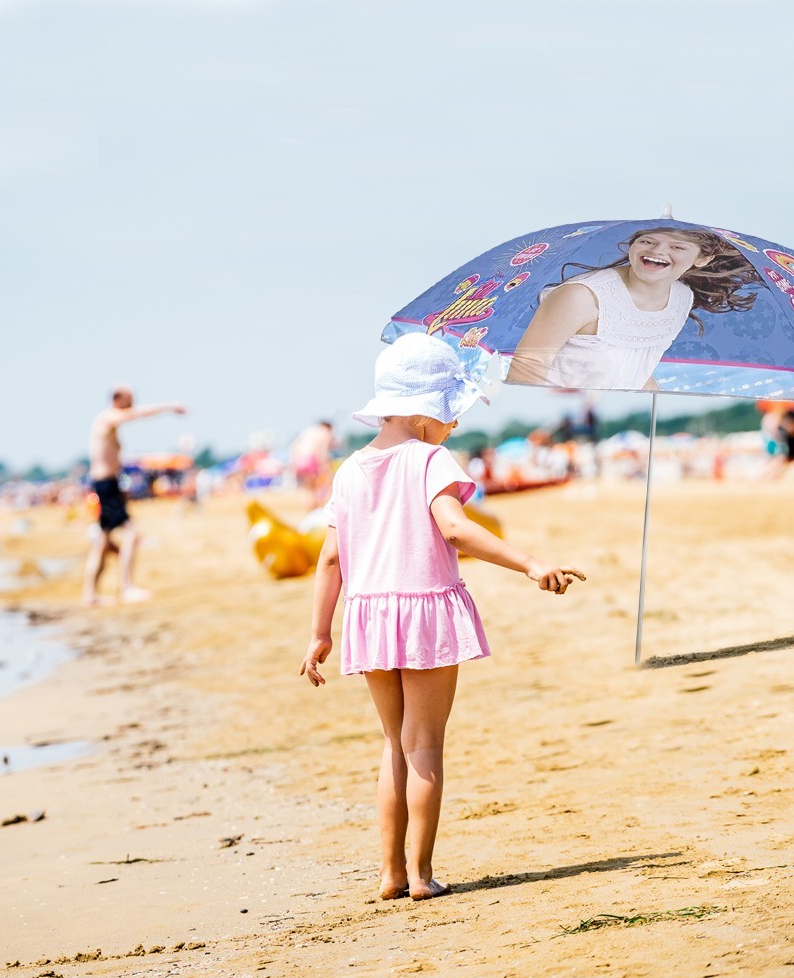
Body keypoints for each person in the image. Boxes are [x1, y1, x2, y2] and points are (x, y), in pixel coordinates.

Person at [299, 334, 585, 902]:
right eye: (450, 413)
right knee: (424, 743)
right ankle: (421, 875)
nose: (454, 424)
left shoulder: (350, 469)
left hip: (370, 615)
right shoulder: (429, 458)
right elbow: (454, 528)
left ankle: (390, 873)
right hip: (424, 609)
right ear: (423, 413)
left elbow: (331, 558)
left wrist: (318, 633)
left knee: (393, 744)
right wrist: (530, 563)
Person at [506, 226, 763, 391]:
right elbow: (527, 367)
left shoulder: (681, 298)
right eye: (647, 241)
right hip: (567, 420)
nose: (658, 251)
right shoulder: (581, 296)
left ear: (703, 258)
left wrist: (656, 411)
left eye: (677, 247)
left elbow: (637, 372)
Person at [82, 385, 187, 606]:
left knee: (103, 542)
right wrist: (169, 407)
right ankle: (127, 587)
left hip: (107, 484)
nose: (133, 404)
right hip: (105, 485)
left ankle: (90, 594)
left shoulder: (109, 421)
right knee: (132, 533)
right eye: (130, 400)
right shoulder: (108, 417)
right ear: (119, 399)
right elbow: (137, 414)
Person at [290, 419, 339, 508]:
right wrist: (325, 466)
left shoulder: (309, 431)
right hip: (310, 460)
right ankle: (316, 510)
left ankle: (309, 511)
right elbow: (322, 452)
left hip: (299, 460)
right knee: (317, 488)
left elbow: (294, 446)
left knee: (308, 489)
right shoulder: (324, 433)